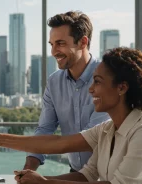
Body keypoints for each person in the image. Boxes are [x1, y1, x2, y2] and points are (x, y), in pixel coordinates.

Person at [0, 47, 142, 184]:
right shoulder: (106, 130)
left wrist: (46, 183)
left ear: (121, 87)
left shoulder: (141, 131)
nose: (91, 89)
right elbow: (85, 173)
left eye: (97, 82)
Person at [23, 11, 109, 172]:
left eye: (60, 43)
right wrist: (28, 170)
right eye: (52, 44)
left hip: (107, 177)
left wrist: (3, 140)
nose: (54, 51)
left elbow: (90, 138)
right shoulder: (54, 82)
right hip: (75, 172)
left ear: (83, 42)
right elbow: (45, 129)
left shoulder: (108, 77)